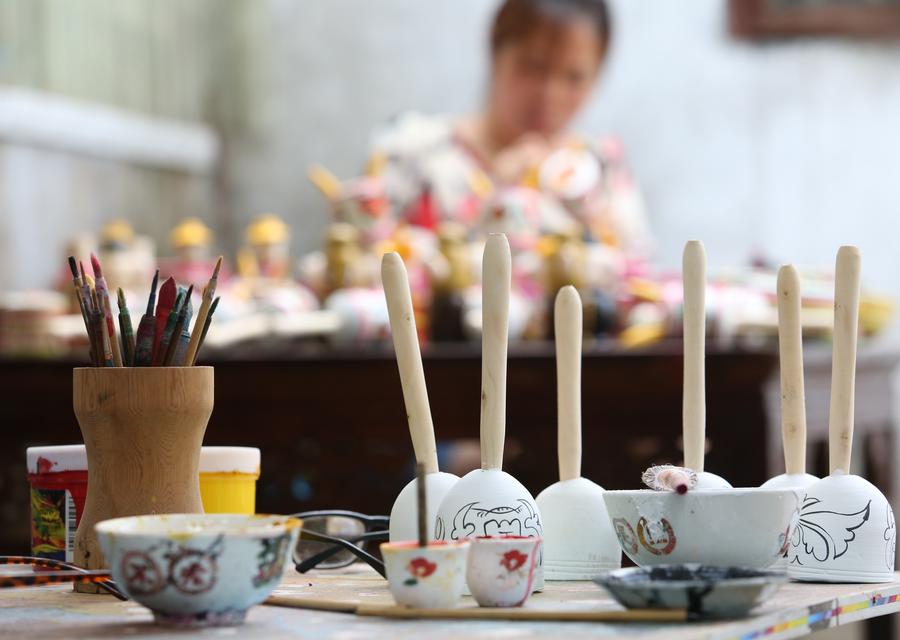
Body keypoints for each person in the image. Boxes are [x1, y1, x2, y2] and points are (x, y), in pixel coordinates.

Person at [371, 0, 652, 261]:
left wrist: (597, 225)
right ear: (496, 49)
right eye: (533, 67)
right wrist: (494, 195)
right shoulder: (415, 151)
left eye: (574, 77)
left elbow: (639, 271)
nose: (549, 95)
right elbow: (366, 261)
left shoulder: (599, 165)